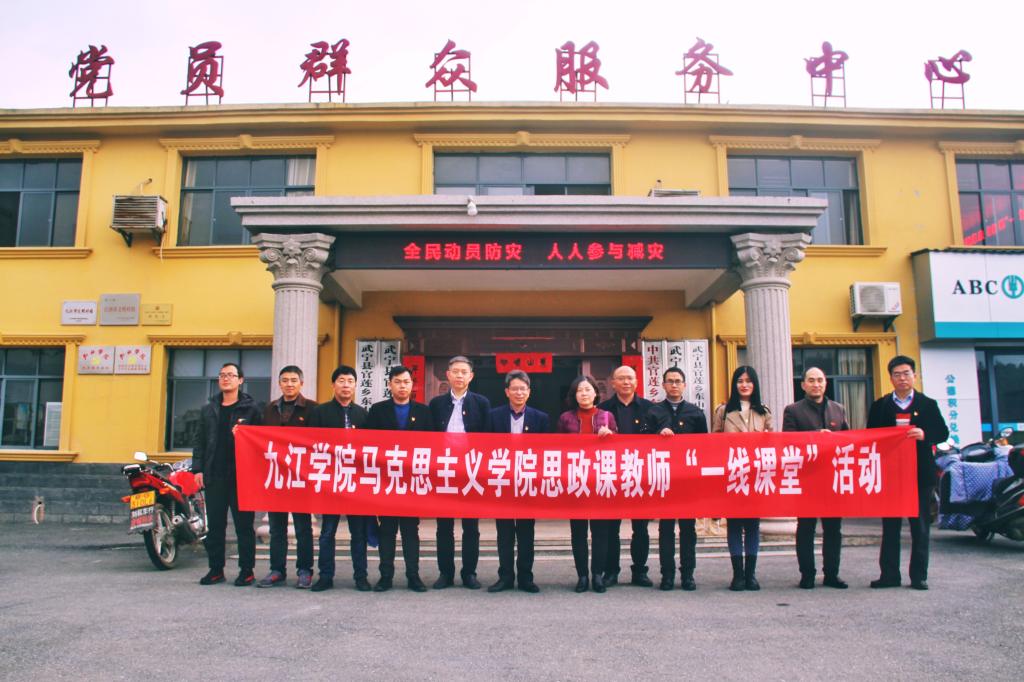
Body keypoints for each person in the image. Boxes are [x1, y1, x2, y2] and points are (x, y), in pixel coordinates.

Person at [868, 355, 949, 591]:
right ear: (890, 378)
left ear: (915, 376)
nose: (902, 378)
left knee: (920, 526)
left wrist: (925, 434)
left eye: (906, 373)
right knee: (890, 527)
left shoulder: (927, 404)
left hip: (920, 474)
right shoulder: (881, 405)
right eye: (897, 374)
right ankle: (889, 575)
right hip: (891, 474)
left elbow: (942, 432)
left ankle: (918, 576)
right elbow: (870, 435)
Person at [366, 365, 435, 592]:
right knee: (387, 530)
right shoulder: (377, 410)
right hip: (387, 481)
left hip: (412, 482)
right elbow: (367, 444)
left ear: (412, 385)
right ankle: (385, 576)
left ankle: (413, 576)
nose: (402, 386)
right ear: (390, 385)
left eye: (406, 382)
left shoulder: (423, 412)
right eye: (397, 382)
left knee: (410, 531)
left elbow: (432, 446)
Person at [193, 362, 263, 586]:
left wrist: (244, 434)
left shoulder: (252, 409)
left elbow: (261, 441)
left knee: (244, 526)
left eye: (231, 375)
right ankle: (216, 569)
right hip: (215, 475)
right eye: (222, 375)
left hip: (241, 477)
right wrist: (198, 469)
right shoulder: (208, 409)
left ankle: (247, 570)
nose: (226, 379)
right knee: (215, 526)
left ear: (240, 380)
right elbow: (200, 441)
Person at [782, 367, 850, 590]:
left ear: (825, 383)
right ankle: (807, 574)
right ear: (803, 385)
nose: (816, 384)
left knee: (833, 529)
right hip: (807, 479)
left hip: (833, 478)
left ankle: (832, 574)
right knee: (805, 528)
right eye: (811, 380)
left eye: (820, 380)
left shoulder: (838, 409)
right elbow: (788, 442)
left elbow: (848, 440)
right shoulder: (793, 410)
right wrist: (814, 438)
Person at [429, 356, 492, 590]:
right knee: (444, 527)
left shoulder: (481, 403)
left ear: (471, 376)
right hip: (444, 471)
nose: (459, 375)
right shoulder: (436, 404)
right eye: (455, 371)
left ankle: (469, 573)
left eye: (464, 372)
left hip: (470, 472)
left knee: (471, 527)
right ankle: (445, 573)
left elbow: (487, 438)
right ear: (447, 375)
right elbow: (427, 438)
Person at [306, 365, 370, 593]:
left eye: (350, 381)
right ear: (333, 385)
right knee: (327, 532)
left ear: (355, 386)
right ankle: (325, 576)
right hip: (329, 481)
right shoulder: (320, 413)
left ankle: (361, 576)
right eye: (341, 381)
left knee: (358, 533)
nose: (346, 385)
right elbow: (310, 443)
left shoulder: (363, 414)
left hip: (355, 482)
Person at [485, 370, 550, 594]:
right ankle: (505, 577)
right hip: (502, 481)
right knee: (504, 533)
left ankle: (525, 577)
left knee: (526, 533)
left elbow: (546, 452)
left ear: (529, 392)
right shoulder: (493, 416)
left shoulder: (541, 418)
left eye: (523, 389)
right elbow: (484, 448)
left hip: (527, 482)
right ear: (507, 392)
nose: (519, 392)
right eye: (515, 388)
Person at [712, 365, 773, 591]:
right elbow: (714, 442)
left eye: (748, 381)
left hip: (756, 475)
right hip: (733, 474)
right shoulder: (724, 411)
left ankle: (751, 574)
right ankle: (738, 574)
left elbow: (773, 442)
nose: (744, 385)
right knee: (735, 524)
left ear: (754, 384)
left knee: (753, 525)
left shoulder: (763, 411)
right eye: (740, 381)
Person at [257, 365, 318, 589]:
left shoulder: (312, 409)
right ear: (279, 383)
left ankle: (305, 570)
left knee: (303, 528)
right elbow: (258, 437)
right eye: (285, 380)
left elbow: (318, 441)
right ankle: (277, 570)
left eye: (293, 380)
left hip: (301, 477)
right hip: (276, 476)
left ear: (301, 383)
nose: (289, 384)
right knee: (277, 528)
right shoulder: (269, 409)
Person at [648, 367, 708, 591]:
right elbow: (642, 442)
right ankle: (667, 574)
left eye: (678, 381)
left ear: (684, 385)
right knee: (665, 530)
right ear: (663, 385)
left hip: (688, 481)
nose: (674, 385)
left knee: (688, 530)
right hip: (664, 479)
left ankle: (688, 574)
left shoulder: (696, 413)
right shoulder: (654, 412)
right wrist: (658, 436)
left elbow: (704, 446)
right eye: (670, 381)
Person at [557, 375, 617, 593]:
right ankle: (582, 576)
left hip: (600, 481)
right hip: (576, 481)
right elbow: (557, 448)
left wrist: (611, 435)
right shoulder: (565, 418)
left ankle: (597, 574)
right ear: (574, 395)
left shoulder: (607, 416)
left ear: (595, 393)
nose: (584, 394)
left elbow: (619, 449)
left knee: (600, 532)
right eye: (579, 390)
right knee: (578, 532)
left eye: (588, 390)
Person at [597, 365, 655, 587]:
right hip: (612, 475)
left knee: (640, 527)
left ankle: (639, 571)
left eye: (630, 378)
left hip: (640, 475)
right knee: (611, 527)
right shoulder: (603, 410)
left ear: (637, 381)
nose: (626, 382)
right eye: (621, 378)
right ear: (613, 383)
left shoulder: (650, 409)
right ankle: (611, 571)